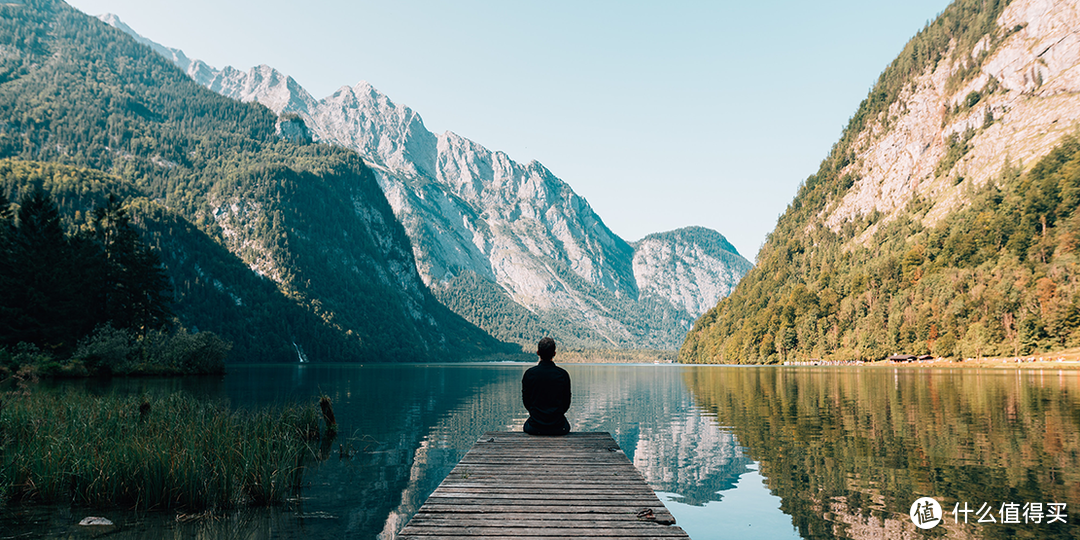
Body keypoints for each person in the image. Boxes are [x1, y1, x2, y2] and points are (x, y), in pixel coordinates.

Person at [521, 336, 571, 435]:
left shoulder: (529, 374)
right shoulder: (563, 374)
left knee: (527, 425)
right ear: (554, 354)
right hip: (559, 427)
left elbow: (526, 401)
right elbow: (566, 402)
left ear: (538, 353)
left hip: (534, 427)